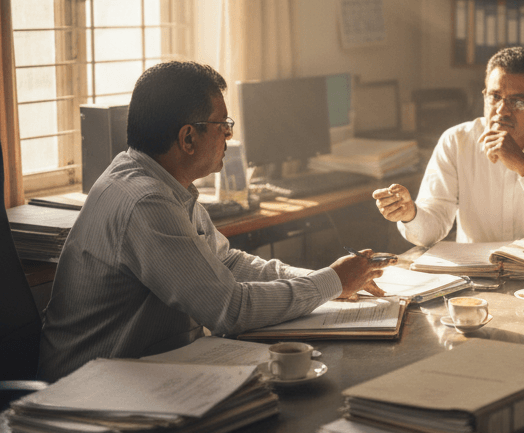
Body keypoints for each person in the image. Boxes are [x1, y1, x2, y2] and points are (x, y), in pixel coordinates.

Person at [38, 61, 391, 381]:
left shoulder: (163, 182)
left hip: (140, 374)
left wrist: (331, 280)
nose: (229, 136)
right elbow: (229, 309)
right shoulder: (146, 202)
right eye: (223, 125)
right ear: (188, 137)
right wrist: (331, 283)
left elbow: (227, 262)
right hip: (91, 389)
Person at [374, 46, 524, 248]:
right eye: (495, 97)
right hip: (475, 280)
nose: (501, 111)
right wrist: (411, 214)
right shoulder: (456, 141)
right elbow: (430, 231)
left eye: (517, 102)